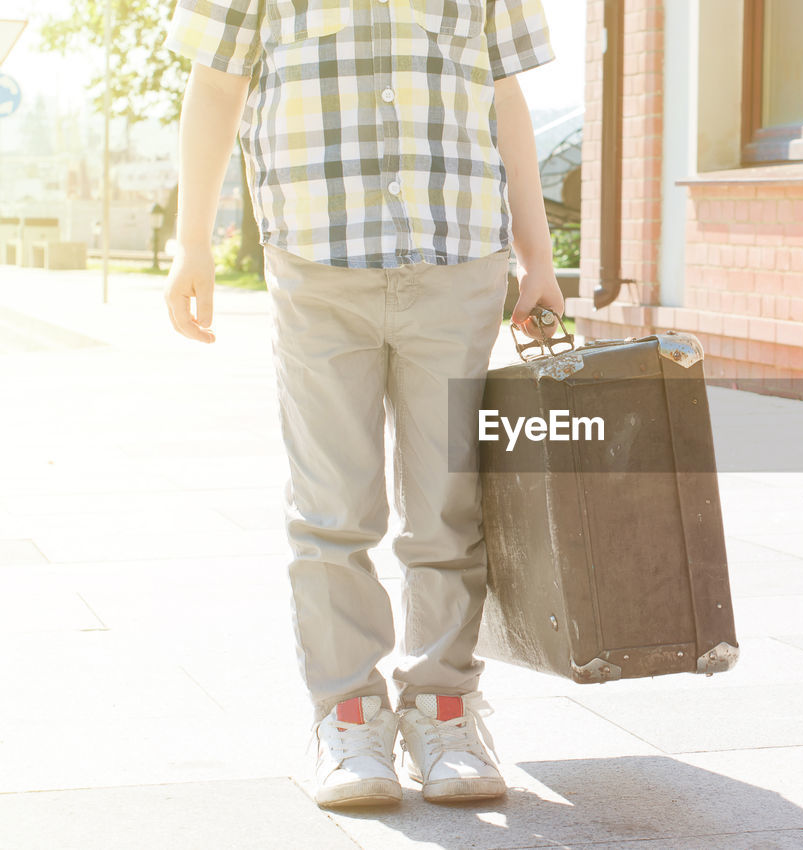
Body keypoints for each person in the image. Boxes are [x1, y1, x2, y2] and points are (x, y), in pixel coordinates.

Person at [161, 0, 562, 809]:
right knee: (331, 508)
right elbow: (215, 84)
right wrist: (192, 241)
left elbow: (505, 94)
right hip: (318, 265)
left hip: (459, 261)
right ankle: (349, 716)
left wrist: (539, 259)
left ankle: (444, 709)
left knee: (448, 510)